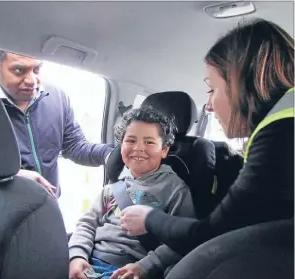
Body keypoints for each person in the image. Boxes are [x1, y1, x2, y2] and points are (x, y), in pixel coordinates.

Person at [118, 18, 294, 274]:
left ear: (240, 82)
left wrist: (149, 218)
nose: (209, 105)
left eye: (212, 90)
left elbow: (216, 232)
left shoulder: (281, 131)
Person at [68, 106, 195, 279]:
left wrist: (145, 266)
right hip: (90, 260)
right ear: (121, 146)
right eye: (131, 141)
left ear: (164, 150)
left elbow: (181, 239)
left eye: (149, 142)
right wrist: (77, 256)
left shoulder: (175, 190)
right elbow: (87, 224)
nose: (138, 148)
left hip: (131, 269)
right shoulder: (112, 188)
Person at [0, 49, 114, 197]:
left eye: (37, 69)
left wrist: (109, 154)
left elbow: (75, 146)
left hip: (47, 207)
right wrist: (14, 175)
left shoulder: (56, 97)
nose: (32, 80)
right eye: (19, 70)